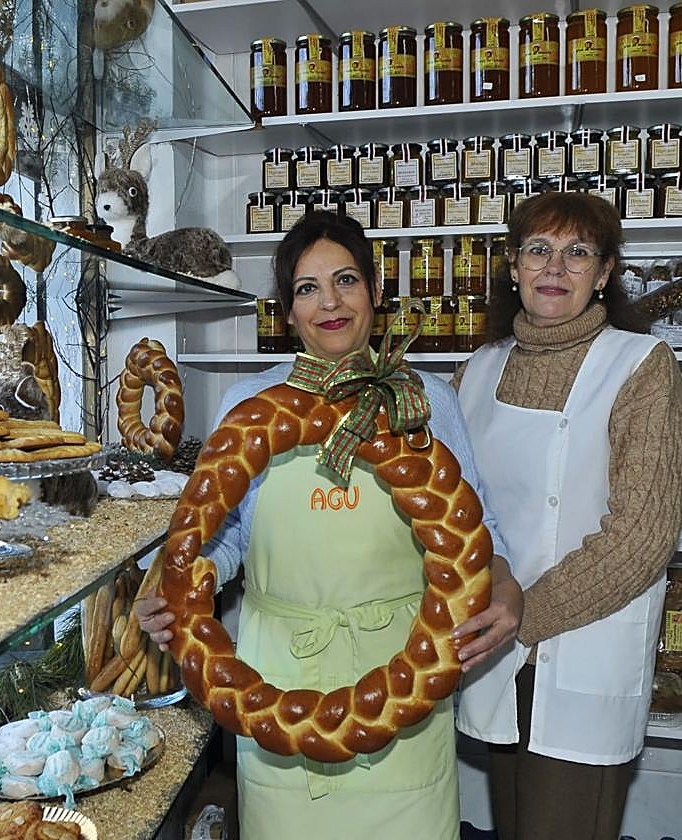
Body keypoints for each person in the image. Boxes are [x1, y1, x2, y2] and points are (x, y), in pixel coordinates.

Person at [134, 211, 523, 839]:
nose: (330, 302)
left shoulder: (423, 401)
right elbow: (230, 534)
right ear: (287, 311)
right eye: (307, 289)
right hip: (276, 679)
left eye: (346, 280)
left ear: (375, 290)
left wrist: (504, 586)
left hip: (405, 670)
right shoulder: (251, 409)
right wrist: (190, 582)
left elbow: (474, 530)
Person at [453, 192, 682, 840]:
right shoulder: (473, 372)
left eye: (577, 252)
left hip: (579, 654)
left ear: (606, 271)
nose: (554, 267)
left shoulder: (643, 368)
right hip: (493, 658)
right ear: (511, 266)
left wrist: (520, 615)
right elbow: (452, 510)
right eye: (538, 250)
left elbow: (642, 538)